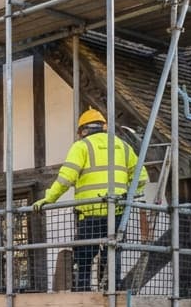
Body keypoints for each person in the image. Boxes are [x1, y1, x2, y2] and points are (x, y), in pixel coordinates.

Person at [33, 108, 144, 292]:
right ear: (104, 127)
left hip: (90, 214)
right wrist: (127, 197)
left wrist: (47, 199)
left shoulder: (81, 147)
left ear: (83, 130)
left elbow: (65, 179)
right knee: (113, 251)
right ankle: (112, 289)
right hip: (116, 212)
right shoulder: (122, 146)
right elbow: (141, 178)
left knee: (84, 254)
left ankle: (83, 291)